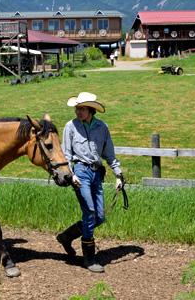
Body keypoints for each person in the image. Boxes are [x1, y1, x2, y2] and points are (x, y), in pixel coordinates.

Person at [58, 92, 124, 273]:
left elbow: (109, 154)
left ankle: (66, 236)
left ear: (91, 110)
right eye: (77, 108)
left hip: (96, 174)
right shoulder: (70, 126)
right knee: (89, 215)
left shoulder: (102, 127)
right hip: (80, 172)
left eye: (82, 108)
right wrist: (71, 175)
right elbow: (67, 154)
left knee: (99, 217)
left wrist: (118, 174)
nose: (78, 111)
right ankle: (89, 258)